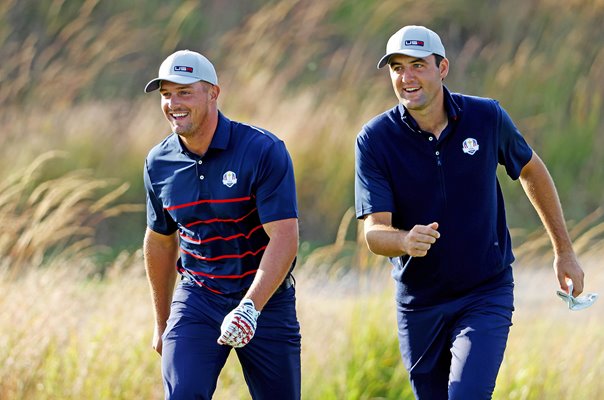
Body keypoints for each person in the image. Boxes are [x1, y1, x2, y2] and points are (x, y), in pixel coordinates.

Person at [354, 25, 586, 399]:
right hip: (420, 302)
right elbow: (374, 232)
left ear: (442, 68)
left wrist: (564, 252)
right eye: (397, 68)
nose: (406, 78)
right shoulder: (375, 139)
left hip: (484, 291)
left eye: (417, 65)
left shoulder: (486, 117)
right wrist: (405, 240)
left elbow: (531, 169)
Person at [143, 50, 301, 399]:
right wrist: (162, 322)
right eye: (166, 94)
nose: (173, 103)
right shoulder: (159, 162)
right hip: (199, 296)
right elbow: (160, 241)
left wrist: (250, 307)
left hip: (266, 296)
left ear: (213, 92)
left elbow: (285, 237)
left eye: (184, 92)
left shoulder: (262, 150)